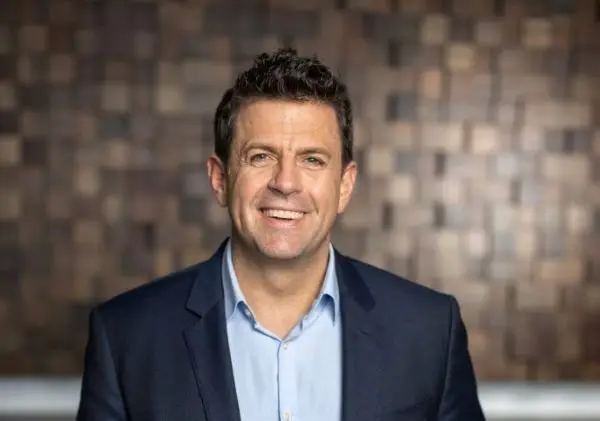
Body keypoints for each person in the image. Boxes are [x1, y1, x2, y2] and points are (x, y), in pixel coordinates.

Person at [76, 48, 486, 421]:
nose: (286, 183)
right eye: (261, 156)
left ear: (345, 185)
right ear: (220, 179)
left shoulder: (429, 331)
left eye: (312, 160)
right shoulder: (126, 337)